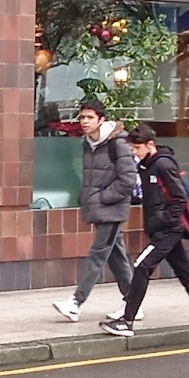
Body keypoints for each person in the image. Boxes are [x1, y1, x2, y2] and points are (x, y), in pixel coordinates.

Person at [100, 124, 189, 347]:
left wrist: (165, 221)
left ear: (150, 145)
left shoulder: (163, 165)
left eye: (137, 148)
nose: (134, 152)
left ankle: (127, 321)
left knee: (142, 266)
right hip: (162, 229)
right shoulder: (147, 166)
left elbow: (179, 199)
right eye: (132, 148)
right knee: (187, 277)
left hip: (169, 230)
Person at [53, 99, 138, 323]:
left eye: (90, 117)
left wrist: (102, 198)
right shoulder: (88, 143)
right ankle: (133, 302)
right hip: (99, 208)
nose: (85, 122)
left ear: (102, 119)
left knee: (98, 255)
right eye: (82, 117)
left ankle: (75, 303)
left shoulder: (116, 143)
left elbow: (128, 180)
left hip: (112, 209)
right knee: (116, 256)